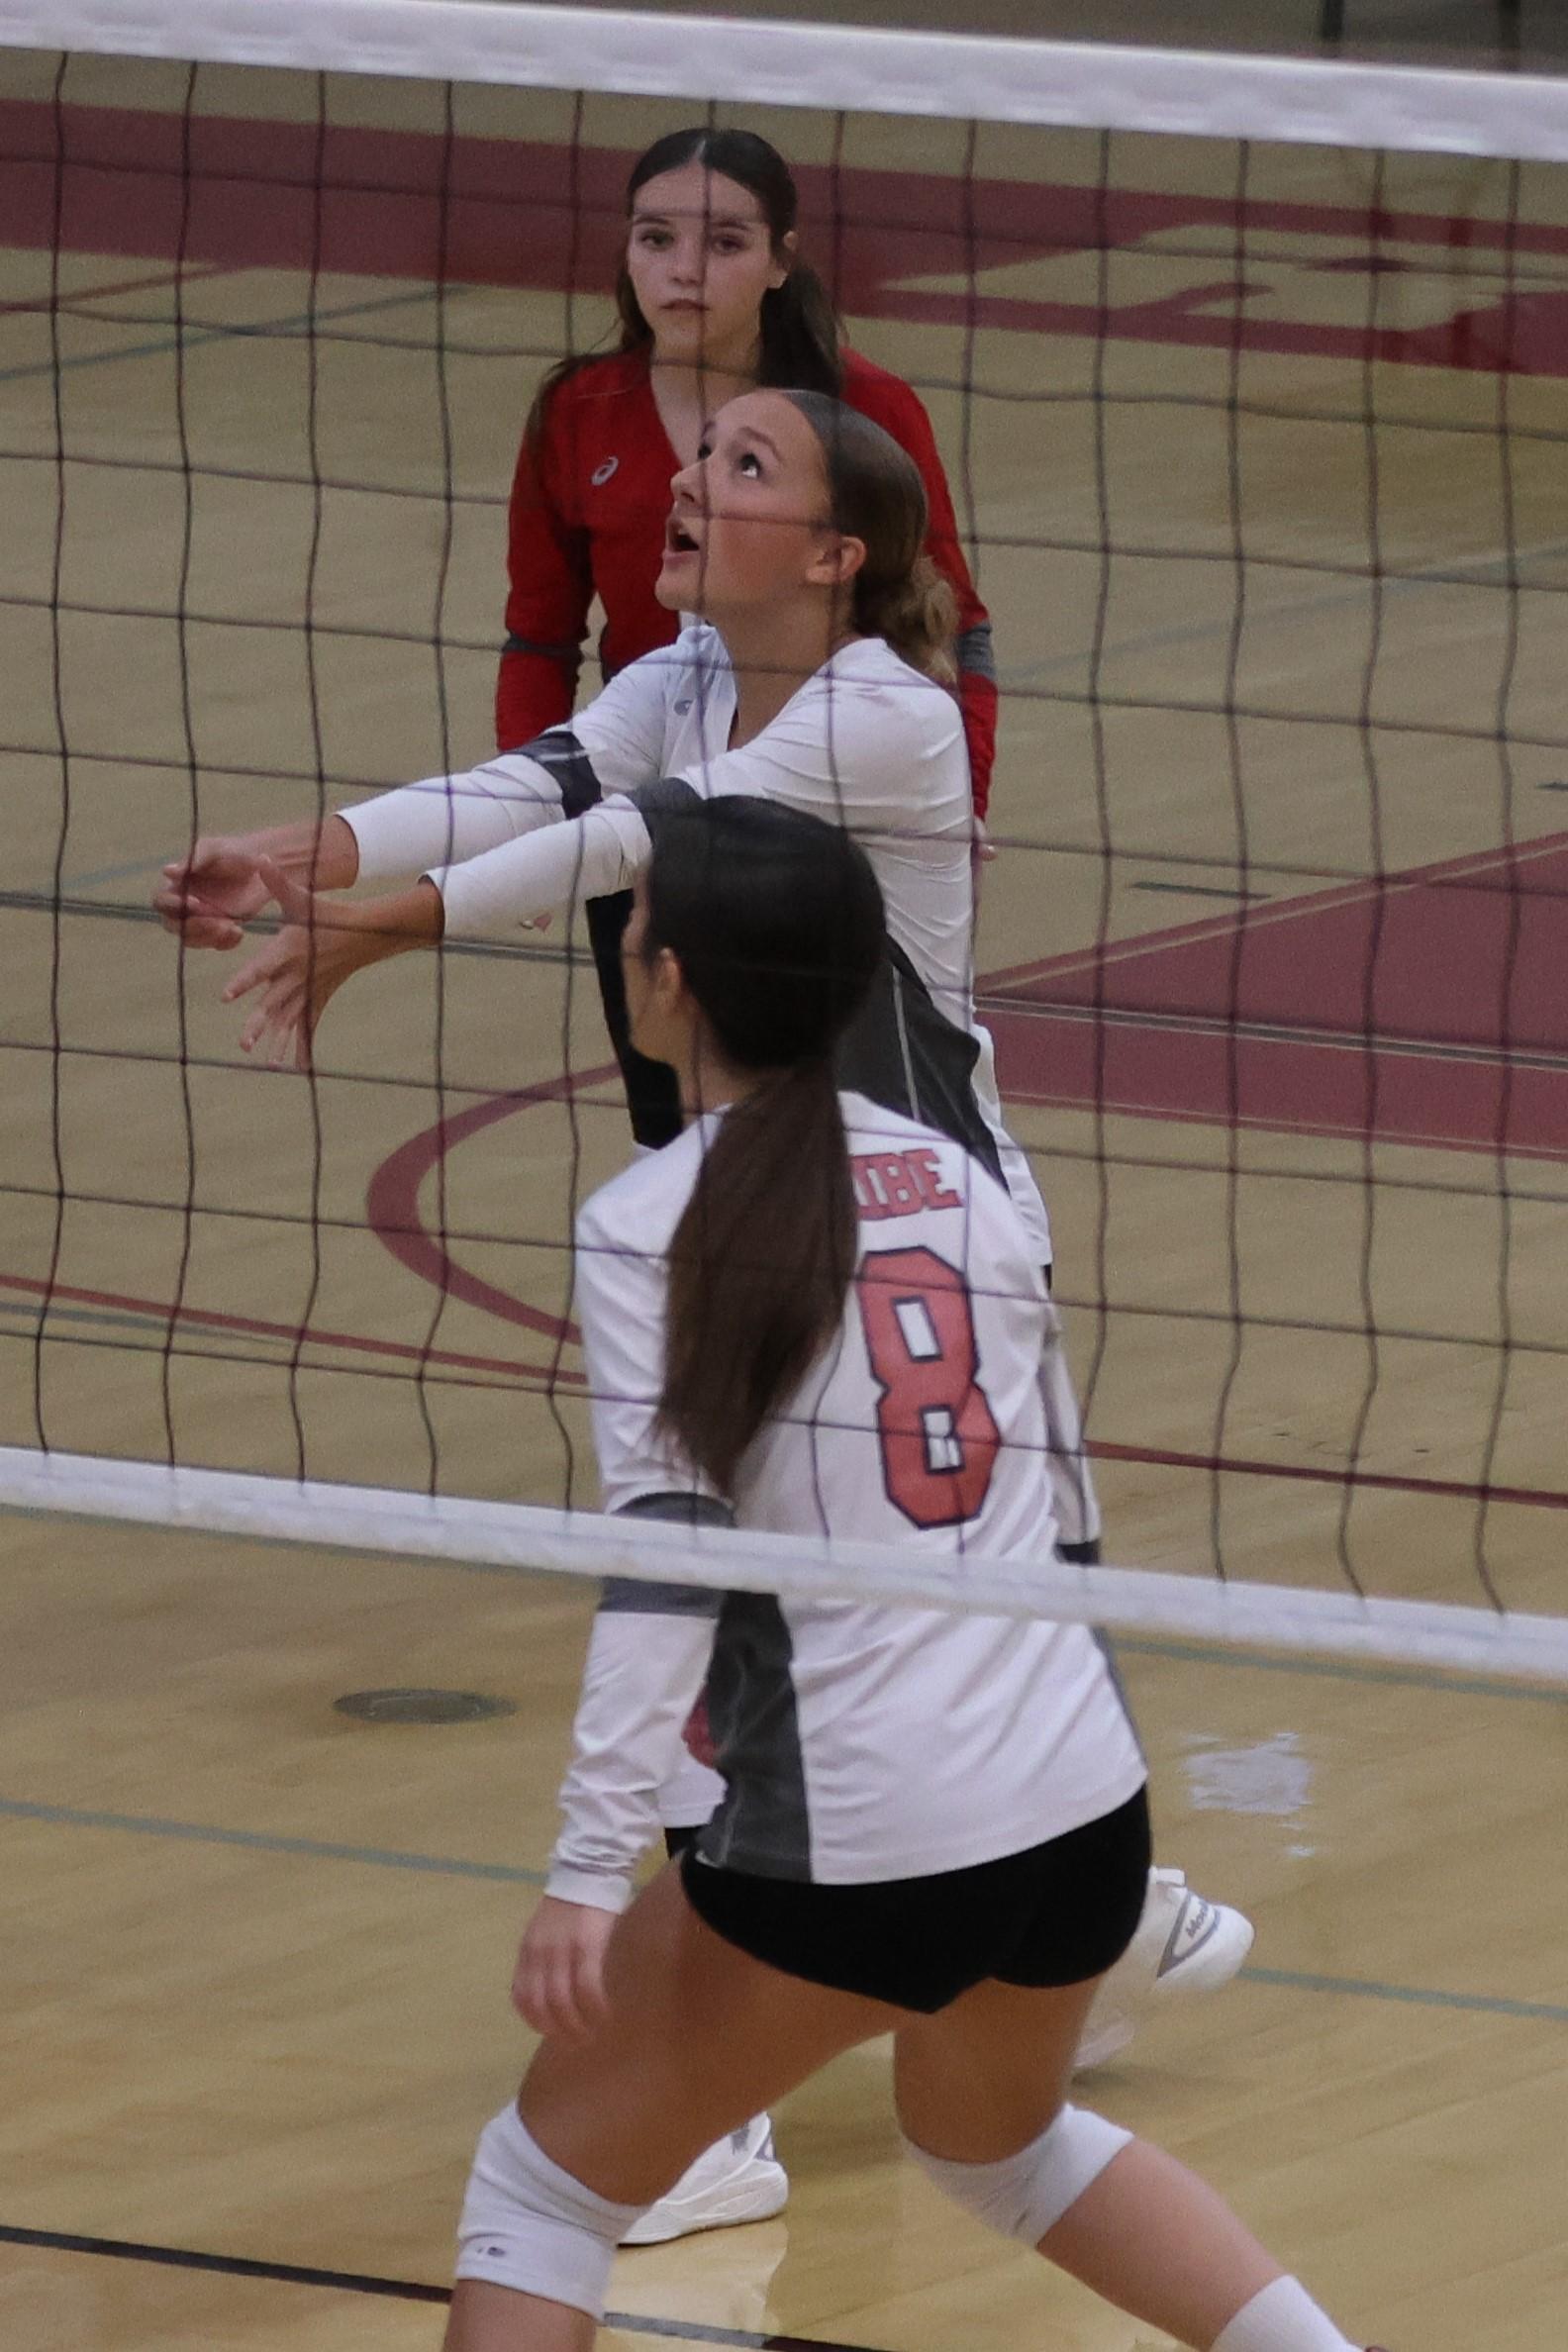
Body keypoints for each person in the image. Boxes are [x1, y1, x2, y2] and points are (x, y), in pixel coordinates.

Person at [155, 386, 1250, 2240]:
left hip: (918, 1222)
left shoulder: (883, 718)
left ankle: (842, 2032)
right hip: (771, 1226)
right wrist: (309, 851)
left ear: (836, 556)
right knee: (821, 1626)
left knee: (800, 1620)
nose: (689, 482)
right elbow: (541, 786)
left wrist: (384, 925)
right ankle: (1083, 1897)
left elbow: (631, 839)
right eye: (701, 454)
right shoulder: (675, 669)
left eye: (743, 468)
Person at [441, 795, 1384, 2352]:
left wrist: (583, 1869)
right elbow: (1058, 1508)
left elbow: (664, 1574)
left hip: (860, 1837)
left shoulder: (649, 1225)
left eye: (639, 918)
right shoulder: (966, 1181)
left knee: (540, 2192)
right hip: (1080, 1807)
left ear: (670, 979)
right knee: (997, 2150)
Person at [495, 124, 999, 1157]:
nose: (684, 271)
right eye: (656, 239)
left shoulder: (863, 411)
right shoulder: (577, 412)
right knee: (679, 1130)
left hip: (827, 794)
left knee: (852, 1107)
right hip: (649, 790)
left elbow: (957, 622)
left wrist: (964, 799)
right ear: (624, 254)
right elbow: (539, 636)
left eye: (725, 243)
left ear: (781, 261)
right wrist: (528, 818)